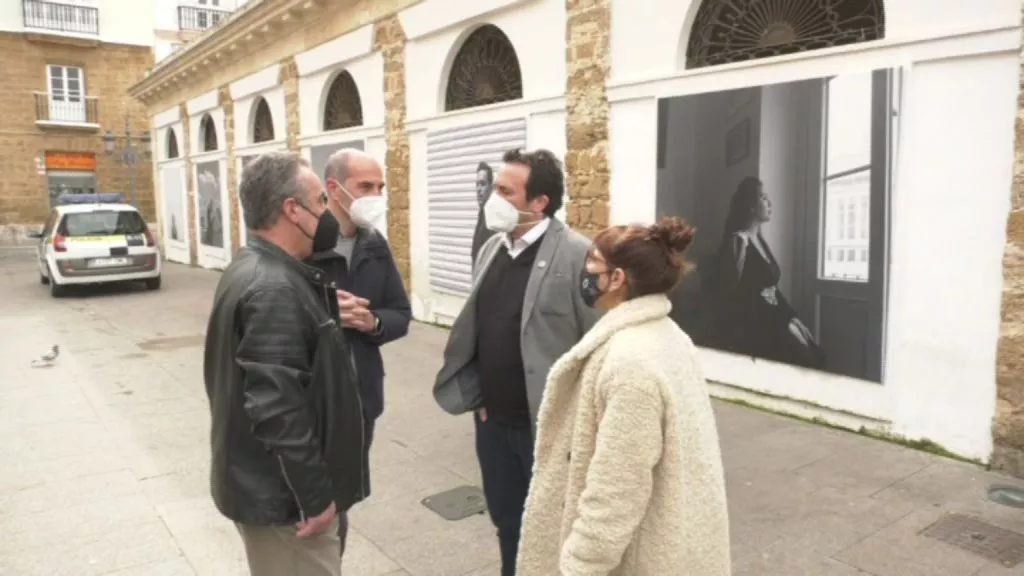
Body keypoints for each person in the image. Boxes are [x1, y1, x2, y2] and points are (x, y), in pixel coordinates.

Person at [516, 216, 731, 576]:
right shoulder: (669, 335)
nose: (583, 270)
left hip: (638, 559)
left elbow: (617, 488)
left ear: (617, 278)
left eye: (592, 262)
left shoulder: (629, 362)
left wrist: (580, 563)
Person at [434, 147, 599, 576]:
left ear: (539, 202)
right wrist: (477, 397)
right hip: (492, 423)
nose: (494, 197)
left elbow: (598, 345)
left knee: (555, 529)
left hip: (547, 429)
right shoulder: (492, 248)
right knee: (508, 524)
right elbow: (480, 328)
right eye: (494, 188)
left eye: (506, 191)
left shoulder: (577, 254)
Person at [203, 151, 367, 576]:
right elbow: (278, 408)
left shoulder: (259, 269)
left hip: (271, 491)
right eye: (320, 202)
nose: (329, 212)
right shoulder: (272, 287)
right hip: (286, 505)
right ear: (292, 211)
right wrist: (314, 498)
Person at [309, 148, 411, 476]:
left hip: (363, 398)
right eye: (366, 187)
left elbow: (400, 312)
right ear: (334, 189)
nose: (376, 196)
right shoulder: (305, 244)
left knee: (349, 488)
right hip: (315, 402)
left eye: (380, 187)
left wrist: (374, 322)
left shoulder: (374, 243)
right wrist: (324, 311)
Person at [710, 176, 823, 368]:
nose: (769, 202)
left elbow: (772, 288)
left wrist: (791, 317)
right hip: (756, 320)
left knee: (811, 347)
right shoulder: (738, 240)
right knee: (804, 357)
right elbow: (732, 292)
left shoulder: (760, 240)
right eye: (763, 197)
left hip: (775, 313)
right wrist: (783, 323)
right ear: (751, 206)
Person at [470, 161, 495, 267]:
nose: (478, 189)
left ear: (491, 187)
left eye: (483, 184)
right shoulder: (482, 213)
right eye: (477, 184)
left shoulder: (493, 219)